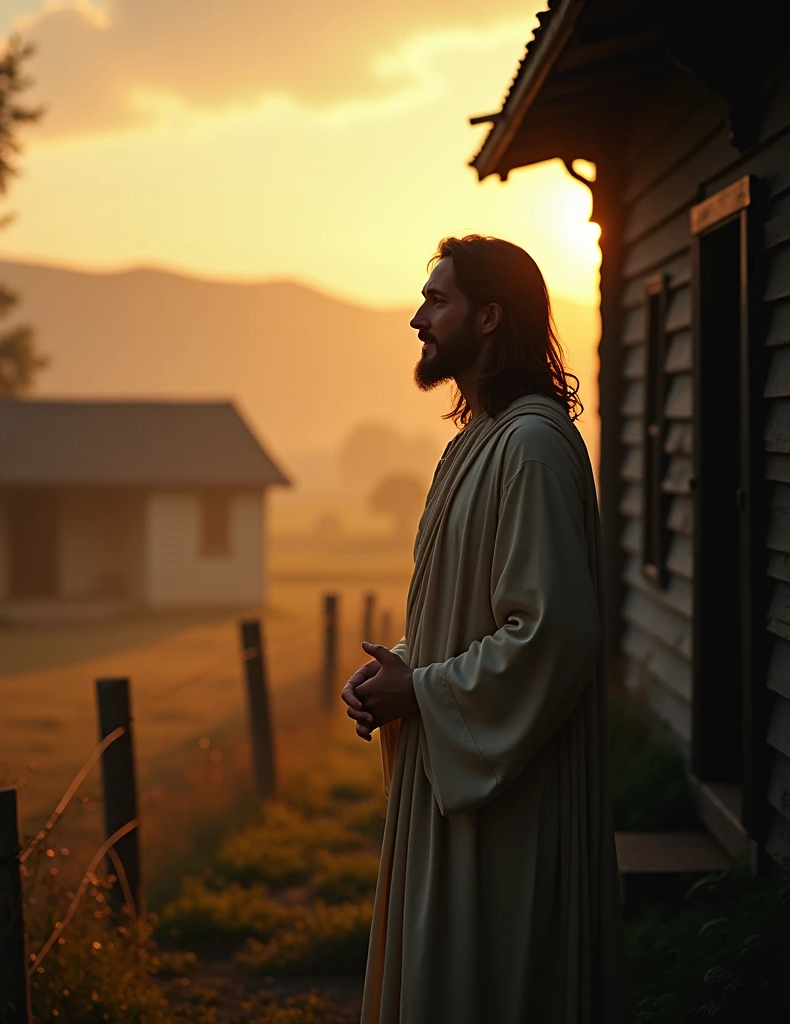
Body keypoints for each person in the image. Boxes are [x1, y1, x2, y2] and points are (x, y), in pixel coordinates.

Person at [342, 235, 629, 1023]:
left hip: (510, 808)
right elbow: (473, 615)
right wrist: (400, 668)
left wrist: (423, 689)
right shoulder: (476, 445)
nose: (417, 318)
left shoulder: (531, 449)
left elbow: (553, 632)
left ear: (491, 317)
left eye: (437, 300)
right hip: (455, 780)